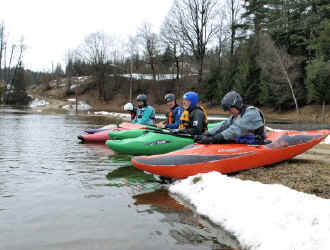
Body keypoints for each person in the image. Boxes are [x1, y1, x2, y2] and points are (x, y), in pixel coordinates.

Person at [197, 90, 265, 144]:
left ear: (237, 105)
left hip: (256, 141)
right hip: (243, 139)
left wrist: (213, 139)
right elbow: (224, 125)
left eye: (229, 109)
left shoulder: (251, 113)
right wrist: (207, 134)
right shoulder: (236, 115)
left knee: (220, 139)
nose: (229, 112)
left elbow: (235, 129)